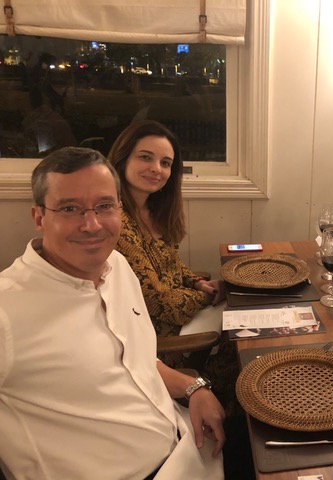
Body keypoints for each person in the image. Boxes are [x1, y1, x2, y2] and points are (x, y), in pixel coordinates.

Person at [0, 147, 226, 479]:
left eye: (105, 206)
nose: (91, 224)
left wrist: (195, 388)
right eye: (70, 208)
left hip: (188, 447)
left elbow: (137, 359)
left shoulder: (117, 265)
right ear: (39, 218)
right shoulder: (7, 310)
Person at [107, 120, 225, 369]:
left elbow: (172, 266)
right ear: (122, 159)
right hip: (155, 341)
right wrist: (209, 296)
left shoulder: (154, 211)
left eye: (165, 163)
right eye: (145, 157)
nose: (156, 169)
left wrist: (197, 282)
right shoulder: (116, 222)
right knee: (240, 349)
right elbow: (160, 301)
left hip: (184, 319)